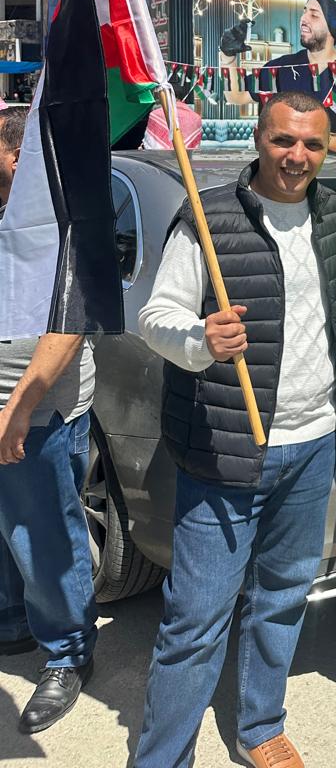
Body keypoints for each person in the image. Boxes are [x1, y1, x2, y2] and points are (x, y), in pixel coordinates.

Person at [134, 91, 336, 768]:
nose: (297, 157)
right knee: (196, 623)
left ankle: (260, 727)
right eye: (284, 140)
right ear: (259, 140)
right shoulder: (208, 219)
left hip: (313, 442)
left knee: (283, 597)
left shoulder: (332, 213)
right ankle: (162, 757)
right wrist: (199, 339)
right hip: (228, 449)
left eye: (312, 144)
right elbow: (155, 317)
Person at [0, 105, 97, 734]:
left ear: (17, 157)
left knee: (45, 537)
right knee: (10, 528)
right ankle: (13, 621)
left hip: (35, 415)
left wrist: (19, 409)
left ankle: (68, 653)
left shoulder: (60, 224)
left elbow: (68, 325)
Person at [263, 0, 336, 140]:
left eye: (314, 15)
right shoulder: (282, 66)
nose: (303, 19)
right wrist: (229, 57)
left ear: (332, 27)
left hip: (333, 154)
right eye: (304, 12)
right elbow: (237, 96)